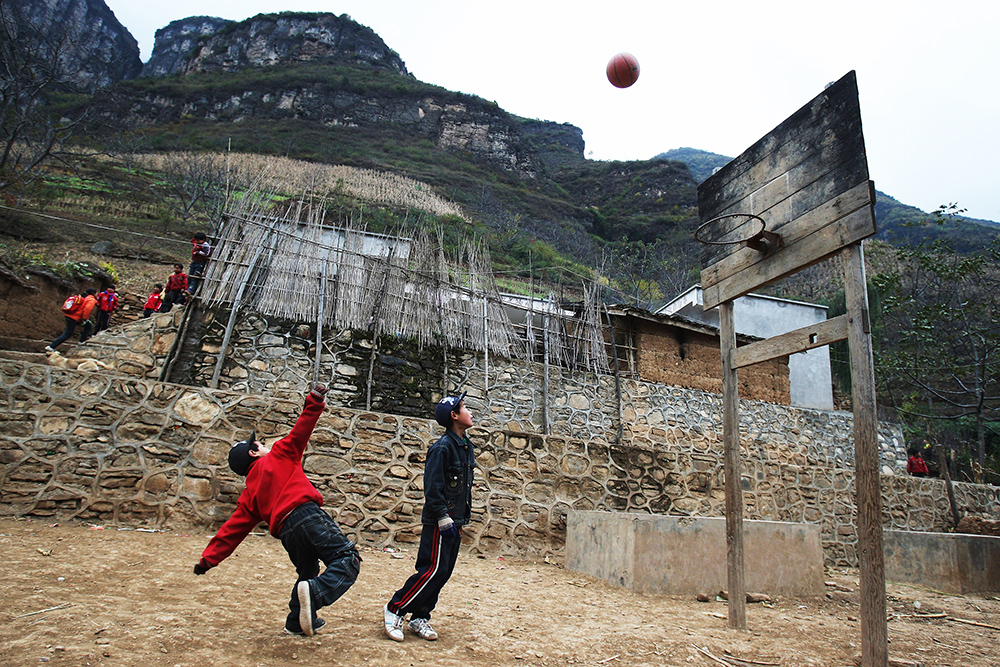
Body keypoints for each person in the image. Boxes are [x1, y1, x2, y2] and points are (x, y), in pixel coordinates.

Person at [192, 384, 360, 637]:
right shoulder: (280, 455)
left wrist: (208, 560)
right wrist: (314, 400)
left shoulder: (249, 494)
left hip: (286, 532)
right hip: (306, 515)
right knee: (348, 559)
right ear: (253, 453)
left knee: (307, 570)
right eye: (259, 445)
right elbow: (302, 429)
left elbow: (232, 530)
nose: (263, 445)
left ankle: (296, 621)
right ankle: (316, 594)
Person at [383, 391, 476, 643]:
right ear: (454, 416)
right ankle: (395, 608)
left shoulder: (467, 447)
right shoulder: (442, 448)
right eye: (465, 408)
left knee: (444, 572)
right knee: (431, 570)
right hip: (440, 521)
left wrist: (457, 519)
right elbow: (432, 486)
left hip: (456, 521)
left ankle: (420, 616)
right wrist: (442, 517)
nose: (470, 412)